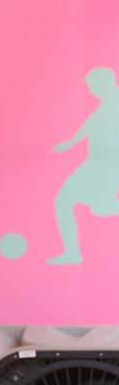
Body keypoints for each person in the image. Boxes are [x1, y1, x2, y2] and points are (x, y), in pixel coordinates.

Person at [46, 66, 119, 264]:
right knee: (64, 201)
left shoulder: (116, 101)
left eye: (92, 86)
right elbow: (91, 123)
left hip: (109, 166)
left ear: (104, 83)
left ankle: (72, 254)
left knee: (100, 208)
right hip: (94, 163)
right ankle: (72, 254)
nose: (90, 91)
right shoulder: (107, 102)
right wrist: (71, 142)